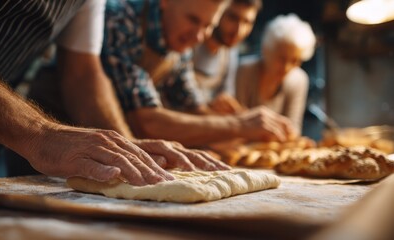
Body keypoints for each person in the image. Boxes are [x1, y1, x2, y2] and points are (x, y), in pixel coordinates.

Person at [0, 0, 227, 185]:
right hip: (20, 135)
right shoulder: (123, 16)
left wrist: (123, 144)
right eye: (193, 19)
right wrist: (40, 133)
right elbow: (146, 117)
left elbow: (82, 73)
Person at [102, 0, 297, 148]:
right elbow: (145, 122)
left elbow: (194, 108)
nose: (198, 37)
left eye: (207, 26)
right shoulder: (123, 18)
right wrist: (239, 125)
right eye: (193, 20)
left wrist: (250, 123)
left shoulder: (181, 46)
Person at [235, 14, 317, 134]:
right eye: (281, 58)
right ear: (266, 50)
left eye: (295, 60)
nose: (286, 67)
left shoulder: (299, 80)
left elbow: (293, 129)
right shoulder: (245, 70)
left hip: (277, 147)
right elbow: (238, 120)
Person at [192, 0, 262, 114]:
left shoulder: (230, 52)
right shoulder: (191, 41)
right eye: (233, 18)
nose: (239, 30)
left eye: (247, 22)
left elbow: (226, 97)